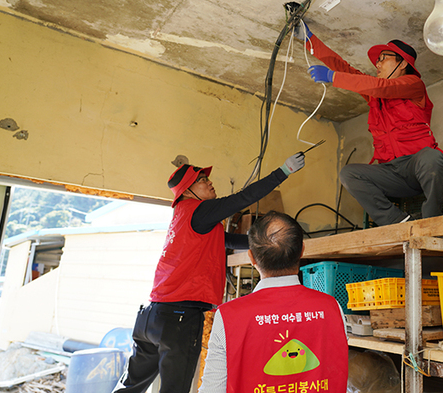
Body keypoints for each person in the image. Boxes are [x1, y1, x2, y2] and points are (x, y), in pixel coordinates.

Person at [113, 153, 306, 393]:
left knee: (130, 387)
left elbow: (226, 240)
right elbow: (243, 198)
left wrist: (269, 240)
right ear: (187, 190)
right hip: (178, 318)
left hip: (151, 316)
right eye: (202, 179)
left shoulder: (185, 216)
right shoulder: (200, 210)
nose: (209, 181)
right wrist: (283, 171)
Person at [299, 23, 443, 226]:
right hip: (390, 174)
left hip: (416, 167)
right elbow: (344, 68)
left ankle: (432, 223)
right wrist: (309, 40)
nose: (377, 64)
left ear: (402, 63)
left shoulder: (414, 84)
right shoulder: (375, 96)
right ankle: (398, 222)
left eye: (383, 58)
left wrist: (333, 78)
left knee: (432, 157)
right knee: (349, 173)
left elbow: (384, 88)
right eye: (377, 60)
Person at [199, 211, 349, 393]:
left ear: (251, 258)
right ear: (302, 251)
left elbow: (213, 388)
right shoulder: (332, 307)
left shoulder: (229, 316)